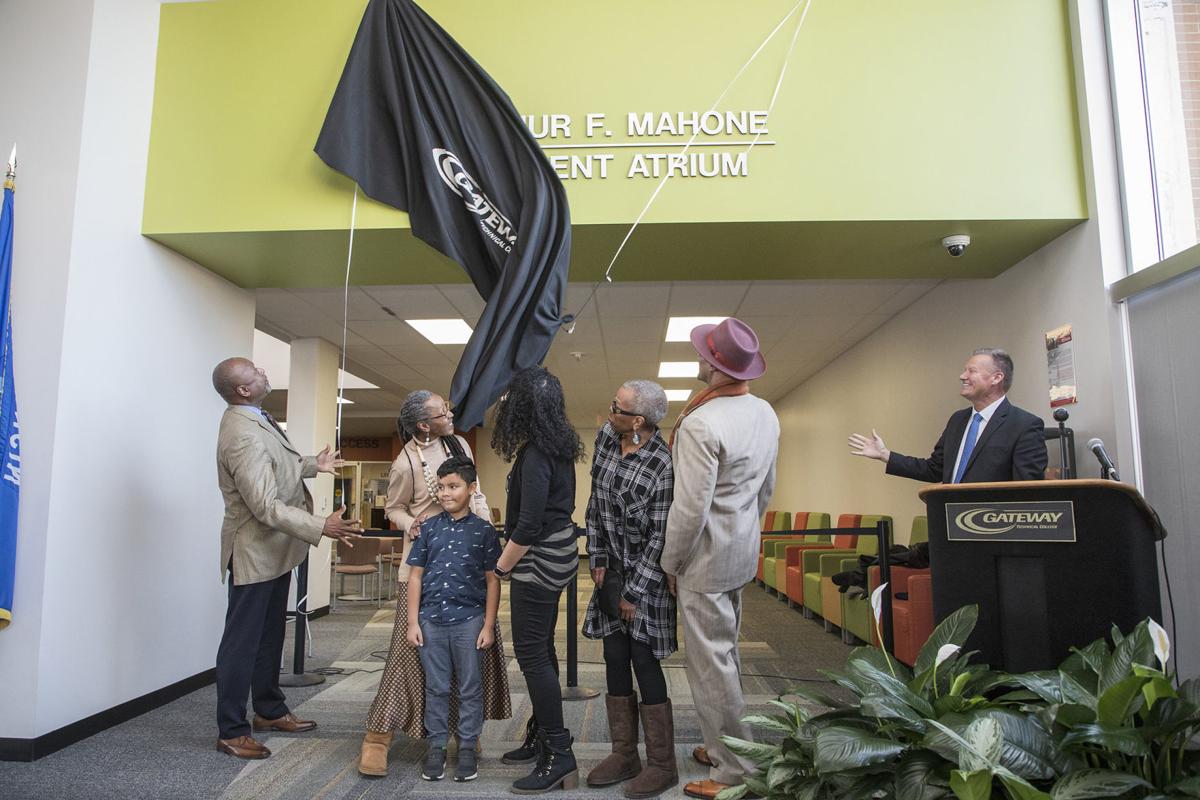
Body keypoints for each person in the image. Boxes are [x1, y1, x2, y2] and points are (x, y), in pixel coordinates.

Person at [211, 357, 363, 760]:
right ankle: (231, 730)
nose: (263, 371)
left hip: (276, 550)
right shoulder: (241, 432)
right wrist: (319, 526)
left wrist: (315, 464)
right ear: (242, 389)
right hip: (254, 552)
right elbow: (264, 504)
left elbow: (282, 465)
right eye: (255, 372)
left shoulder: (256, 418)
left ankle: (269, 710)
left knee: (269, 636)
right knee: (241, 644)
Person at [358, 390, 510, 776]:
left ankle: (465, 735)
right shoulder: (405, 462)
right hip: (423, 567)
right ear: (424, 424)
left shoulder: (457, 442)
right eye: (443, 411)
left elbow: (473, 489)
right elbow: (392, 508)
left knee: (471, 656)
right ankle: (378, 736)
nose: (451, 413)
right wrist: (414, 524)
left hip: (468, 563)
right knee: (406, 654)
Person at [659, 318, 779, 800]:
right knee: (726, 658)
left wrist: (672, 563)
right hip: (740, 551)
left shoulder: (703, 421)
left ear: (711, 362)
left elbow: (689, 508)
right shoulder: (766, 412)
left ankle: (734, 771)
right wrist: (747, 531)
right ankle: (724, 744)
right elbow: (766, 490)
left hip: (705, 559)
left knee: (710, 668)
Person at [491, 366, 586, 794]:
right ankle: (542, 734)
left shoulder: (534, 453)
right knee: (542, 648)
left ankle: (560, 754)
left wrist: (499, 568)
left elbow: (527, 526)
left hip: (538, 557)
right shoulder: (560, 445)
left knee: (530, 655)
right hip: (560, 551)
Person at [583, 379, 679, 799]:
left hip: (647, 575)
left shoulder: (662, 465)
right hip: (611, 568)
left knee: (643, 659)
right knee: (613, 655)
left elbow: (660, 538)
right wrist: (599, 560)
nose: (609, 411)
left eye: (617, 407)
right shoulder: (608, 437)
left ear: (638, 420)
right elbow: (595, 503)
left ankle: (663, 764)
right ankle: (625, 754)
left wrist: (633, 593)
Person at [405, 457, 503, 783]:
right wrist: (412, 622)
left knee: (470, 687)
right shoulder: (429, 528)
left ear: (471, 488)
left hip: (470, 621)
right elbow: (415, 576)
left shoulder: (485, 531)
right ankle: (435, 747)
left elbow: (493, 580)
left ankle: (465, 747)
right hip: (430, 621)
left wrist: (488, 625)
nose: (446, 494)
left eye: (454, 487)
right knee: (435, 687)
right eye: (442, 487)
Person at [847, 348, 1047, 483]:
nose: (963, 376)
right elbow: (935, 469)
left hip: (995, 534)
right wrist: (885, 455)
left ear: (996, 378)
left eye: (971, 371)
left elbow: (1026, 489)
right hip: (950, 526)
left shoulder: (1024, 425)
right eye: (964, 370)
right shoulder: (958, 420)